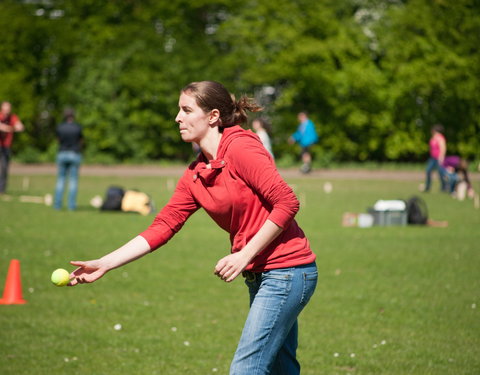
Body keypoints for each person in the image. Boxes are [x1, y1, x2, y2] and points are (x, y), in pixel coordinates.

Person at [68, 81, 318, 375]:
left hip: (287, 272)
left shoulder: (241, 147)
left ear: (213, 116)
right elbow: (163, 226)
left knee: (246, 369)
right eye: (178, 110)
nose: (177, 118)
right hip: (263, 276)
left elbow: (287, 202)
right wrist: (105, 263)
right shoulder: (196, 174)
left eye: (186, 110)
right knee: (281, 369)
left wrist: (243, 255)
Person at [53, 108, 83, 210]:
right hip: (74, 154)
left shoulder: (60, 127)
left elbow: (58, 140)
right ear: (73, 116)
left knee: (60, 180)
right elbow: (80, 140)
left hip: (62, 153)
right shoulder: (77, 127)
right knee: (73, 181)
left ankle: (57, 205)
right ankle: (71, 206)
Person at [0, 101, 25, 194]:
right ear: (2, 109)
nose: (7, 111)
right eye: (5, 109)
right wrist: (11, 128)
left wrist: (17, 126)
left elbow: (20, 126)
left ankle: (1, 190)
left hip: (6, 146)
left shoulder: (12, 117)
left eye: (8, 109)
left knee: (4, 168)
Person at [423, 124, 447, 192]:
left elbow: (443, 148)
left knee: (441, 173)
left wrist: (441, 157)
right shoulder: (433, 138)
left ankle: (444, 187)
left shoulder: (440, 138)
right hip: (432, 158)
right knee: (428, 171)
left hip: (438, 158)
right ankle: (427, 187)